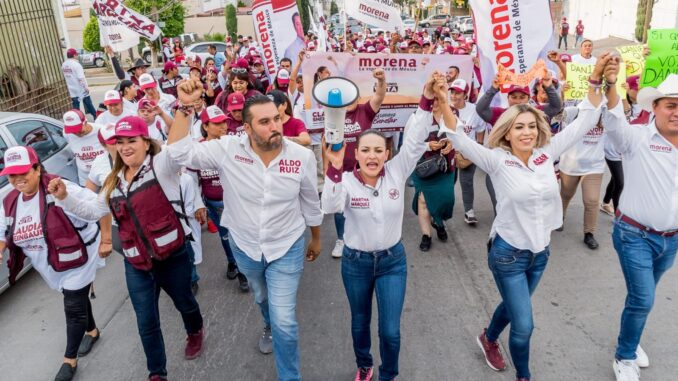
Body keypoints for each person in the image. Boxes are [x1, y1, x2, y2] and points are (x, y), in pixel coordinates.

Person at [438, 53, 610, 381]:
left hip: (540, 254)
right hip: (508, 256)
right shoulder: (496, 160)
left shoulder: (547, 153)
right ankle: (524, 375)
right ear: (506, 132)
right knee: (524, 324)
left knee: (515, 306)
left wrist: (595, 79)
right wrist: (444, 100)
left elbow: (586, 120)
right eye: (519, 127)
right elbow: (457, 136)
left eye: (532, 126)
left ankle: (488, 337)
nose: (527, 132)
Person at [166, 81, 322, 381]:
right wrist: (185, 108)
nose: (274, 126)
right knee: (262, 298)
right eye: (264, 122)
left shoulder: (301, 156)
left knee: (286, 320)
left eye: (277, 118)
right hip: (245, 247)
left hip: (286, 247)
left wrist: (316, 238)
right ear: (247, 129)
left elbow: (310, 202)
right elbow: (177, 155)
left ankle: (290, 376)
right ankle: (267, 322)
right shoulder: (226, 149)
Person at [48, 115, 206, 381]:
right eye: (119, 142)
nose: (124, 146)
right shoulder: (112, 181)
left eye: (131, 140)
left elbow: (179, 147)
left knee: (185, 303)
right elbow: (92, 211)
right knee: (146, 321)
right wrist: (65, 197)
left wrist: (184, 110)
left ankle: (195, 331)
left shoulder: (162, 165)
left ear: (146, 142)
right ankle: (157, 373)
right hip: (137, 264)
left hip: (173, 257)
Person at [322, 72, 448, 381]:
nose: (372, 156)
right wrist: (335, 169)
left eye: (379, 150)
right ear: (357, 154)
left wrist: (426, 99)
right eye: (365, 150)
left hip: (392, 262)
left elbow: (416, 138)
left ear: (387, 154)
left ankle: (388, 374)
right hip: (356, 263)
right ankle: (364, 365)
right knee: (359, 322)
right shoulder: (347, 180)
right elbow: (329, 206)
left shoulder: (396, 171)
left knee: (390, 331)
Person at [0, 146, 104, 381]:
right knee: (73, 296)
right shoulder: (10, 201)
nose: (17, 179)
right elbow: (3, 230)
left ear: (37, 169)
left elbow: (98, 208)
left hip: (79, 255)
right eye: (11, 174)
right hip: (50, 263)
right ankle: (92, 331)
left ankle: (69, 360)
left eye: (23, 172)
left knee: (73, 306)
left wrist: (66, 199)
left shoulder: (58, 188)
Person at [604, 72, 678, 381]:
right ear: (656, 107)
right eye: (671, 105)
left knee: (641, 296)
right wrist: (609, 84)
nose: (676, 113)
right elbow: (612, 123)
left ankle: (632, 343)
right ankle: (624, 356)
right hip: (634, 235)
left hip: (671, 240)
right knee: (643, 298)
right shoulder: (637, 137)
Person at [329, 69, 387, 258]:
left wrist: (381, 80)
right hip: (341, 169)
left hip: (364, 171)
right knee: (340, 207)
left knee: (366, 205)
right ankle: (341, 239)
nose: (350, 100)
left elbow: (379, 96)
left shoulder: (365, 111)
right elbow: (326, 144)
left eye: (354, 96)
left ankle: (368, 236)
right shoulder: (333, 114)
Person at [194, 105, 250, 292]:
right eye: (217, 123)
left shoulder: (234, 143)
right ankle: (233, 262)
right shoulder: (198, 149)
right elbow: (193, 180)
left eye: (224, 122)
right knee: (225, 235)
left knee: (238, 234)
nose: (223, 126)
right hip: (213, 203)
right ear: (206, 126)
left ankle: (242, 269)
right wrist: (198, 204)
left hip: (236, 201)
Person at [411, 92, 457, 251]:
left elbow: (460, 135)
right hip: (425, 166)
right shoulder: (418, 116)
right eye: (432, 98)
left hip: (446, 166)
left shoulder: (452, 112)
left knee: (446, 200)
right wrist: (427, 145)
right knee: (423, 199)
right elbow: (410, 143)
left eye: (438, 98)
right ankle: (426, 235)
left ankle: (438, 221)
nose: (435, 102)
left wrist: (453, 143)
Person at [557, 102, 605, 250]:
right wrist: (561, 96)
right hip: (571, 164)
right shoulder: (574, 111)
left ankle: (589, 233)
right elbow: (558, 114)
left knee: (592, 200)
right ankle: (559, 218)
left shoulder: (606, 113)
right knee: (565, 195)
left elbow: (627, 115)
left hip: (594, 166)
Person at [449, 79, 487, 225]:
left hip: (468, 151)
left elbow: (480, 128)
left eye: (458, 93)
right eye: (452, 92)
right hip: (449, 152)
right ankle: (443, 210)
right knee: (448, 183)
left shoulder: (474, 110)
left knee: (467, 182)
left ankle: (469, 211)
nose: (454, 95)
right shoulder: (446, 108)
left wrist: (479, 147)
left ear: (465, 94)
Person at [62, 110, 106, 187]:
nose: (76, 133)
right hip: (85, 179)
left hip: (104, 176)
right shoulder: (67, 134)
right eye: (73, 131)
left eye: (78, 129)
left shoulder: (101, 130)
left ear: (85, 122)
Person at [62, 48, 96, 119]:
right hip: (81, 89)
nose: (77, 56)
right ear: (74, 55)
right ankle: (96, 116)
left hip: (72, 89)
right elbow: (81, 78)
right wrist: (86, 88)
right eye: (76, 54)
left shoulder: (64, 65)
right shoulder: (77, 65)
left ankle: (77, 119)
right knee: (89, 104)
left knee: (76, 107)